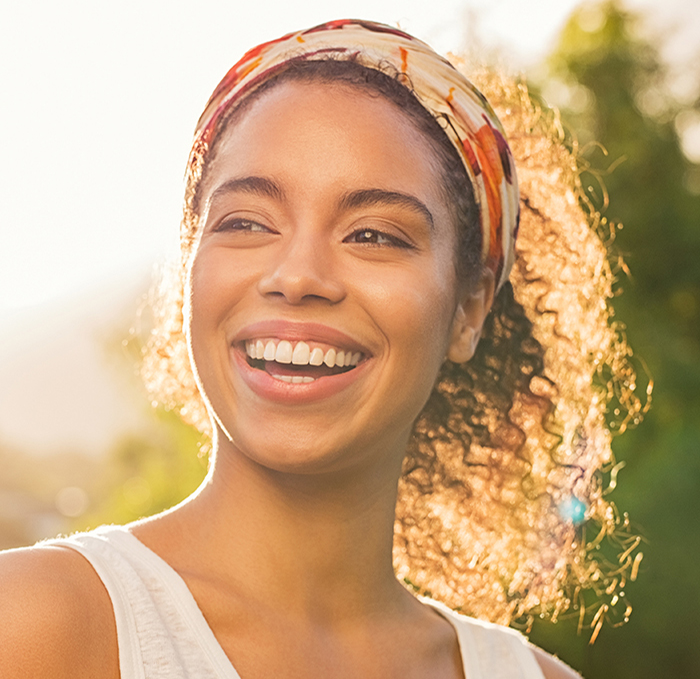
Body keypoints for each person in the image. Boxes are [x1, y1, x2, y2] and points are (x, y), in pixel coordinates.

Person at [0, 19, 644, 679]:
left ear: (468, 308)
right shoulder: (30, 626)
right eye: (246, 221)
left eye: (374, 235)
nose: (298, 276)